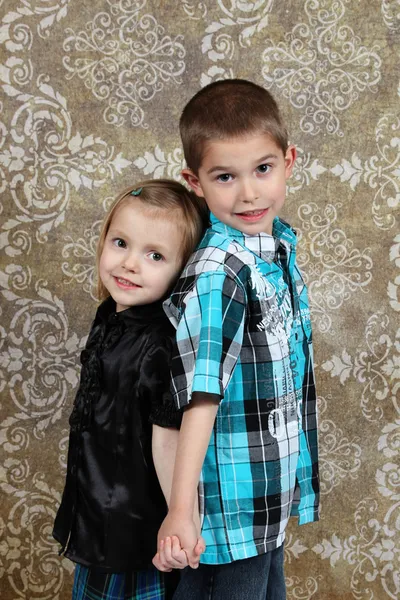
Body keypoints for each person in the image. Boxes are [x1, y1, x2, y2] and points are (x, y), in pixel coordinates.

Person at [154, 80, 320, 599]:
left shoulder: (274, 250)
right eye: (225, 176)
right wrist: (181, 511)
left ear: (289, 161)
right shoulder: (219, 273)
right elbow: (200, 397)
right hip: (227, 509)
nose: (248, 193)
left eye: (262, 169)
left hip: (266, 493)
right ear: (195, 181)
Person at [53, 179, 208, 600]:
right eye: (121, 243)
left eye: (155, 255)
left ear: (182, 271)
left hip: (133, 522)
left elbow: (168, 440)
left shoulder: (159, 343)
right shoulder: (111, 315)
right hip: (96, 504)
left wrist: (183, 517)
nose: (129, 264)